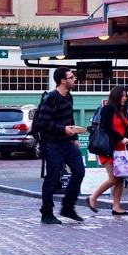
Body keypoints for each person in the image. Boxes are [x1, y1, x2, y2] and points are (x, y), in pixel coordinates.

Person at [33, 67, 86, 224]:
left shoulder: (69, 97)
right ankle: (47, 213)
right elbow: (42, 123)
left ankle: (67, 207)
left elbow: (69, 119)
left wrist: (74, 136)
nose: (74, 79)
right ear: (63, 81)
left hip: (67, 143)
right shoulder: (51, 99)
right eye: (71, 77)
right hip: (52, 144)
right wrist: (62, 129)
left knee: (79, 171)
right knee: (52, 178)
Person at [87, 85, 128, 216]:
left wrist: (126, 139)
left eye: (126, 96)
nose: (124, 98)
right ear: (116, 96)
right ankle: (93, 197)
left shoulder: (123, 110)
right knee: (113, 178)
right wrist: (121, 138)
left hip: (120, 148)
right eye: (122, 96)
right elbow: (105, 127)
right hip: (108, 148)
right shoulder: (107, 109)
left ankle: (117, 206)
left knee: (120, 179)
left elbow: (125, 129)